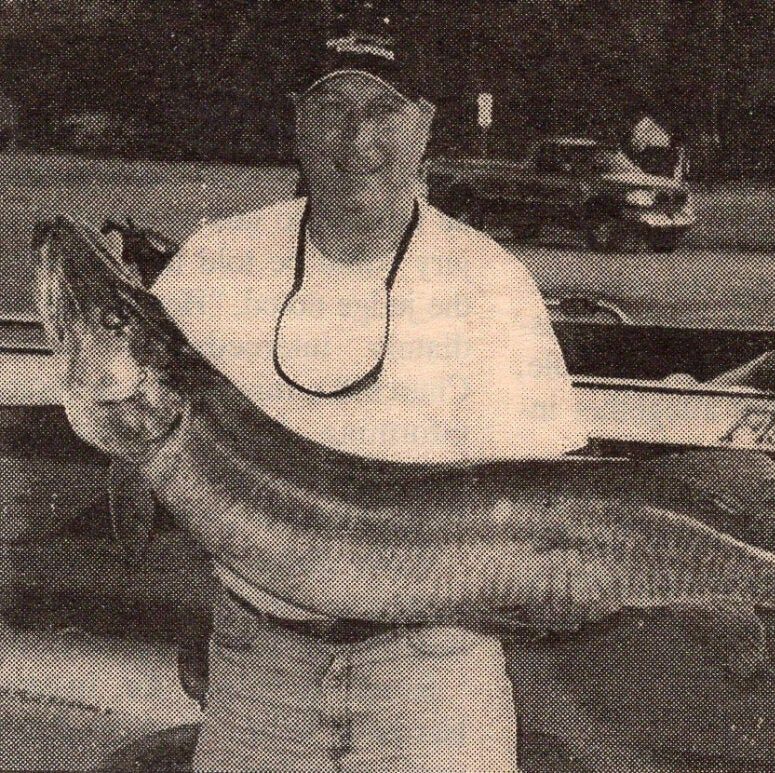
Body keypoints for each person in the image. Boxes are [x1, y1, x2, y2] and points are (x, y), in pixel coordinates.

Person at [150, 4, 588, 771]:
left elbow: (552, 503)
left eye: (384, 109)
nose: (357, 141)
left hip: (435, 678)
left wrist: (553, 591)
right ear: (295, 121)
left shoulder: (490, 283)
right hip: (257, 676)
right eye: (331, 107)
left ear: (427, 125)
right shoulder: (214, 264)